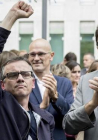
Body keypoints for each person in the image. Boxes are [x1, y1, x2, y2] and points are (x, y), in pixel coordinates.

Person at [0, 1, 55, 140]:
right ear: (2, 85)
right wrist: (12, 16)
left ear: (33, 82)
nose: (20, 78)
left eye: (25, 74)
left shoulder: (46, 119)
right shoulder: (2, 108)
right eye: (12, 75)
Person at [28, 38, 74, 140]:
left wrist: (56, 98)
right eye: (32, 54)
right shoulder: (23, 83)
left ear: (51, 56)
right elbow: (20, 117)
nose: (36, 58)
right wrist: (41, 107)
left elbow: (71, 117)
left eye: (40, 54)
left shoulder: (64, 83)